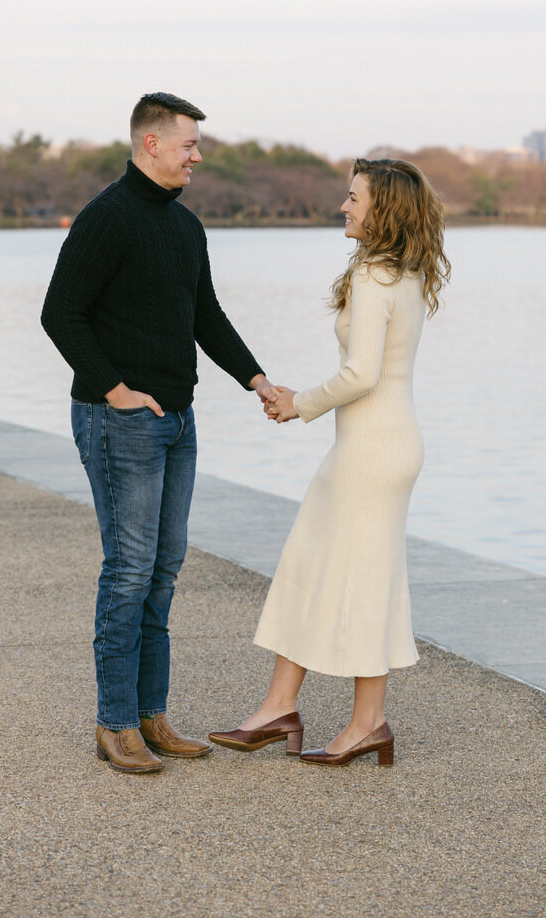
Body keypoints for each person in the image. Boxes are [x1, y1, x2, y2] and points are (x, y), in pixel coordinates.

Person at [41, 92, 275, 774]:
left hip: (178, 421)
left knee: (163, 571)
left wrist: (257, 380)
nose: (196, 155)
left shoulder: (185, 226)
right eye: (188, 144)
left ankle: (152, 715)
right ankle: (115, 723)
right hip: (120, 423)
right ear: (151, 144)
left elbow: (206, 316)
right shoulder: (105, 219)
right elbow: (61, 314)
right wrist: (116, 392)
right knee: (129, 570)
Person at [209, 159, 450, 767]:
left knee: (358, 581)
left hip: (372, 450)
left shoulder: (374, 274)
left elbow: (361, 374)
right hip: (382, 444)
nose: (344, 207)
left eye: (353, 198)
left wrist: (299, 404)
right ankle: (280, 707)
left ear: (383, 210)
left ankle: (364, 722)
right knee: (314, 563)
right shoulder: (407, 271)